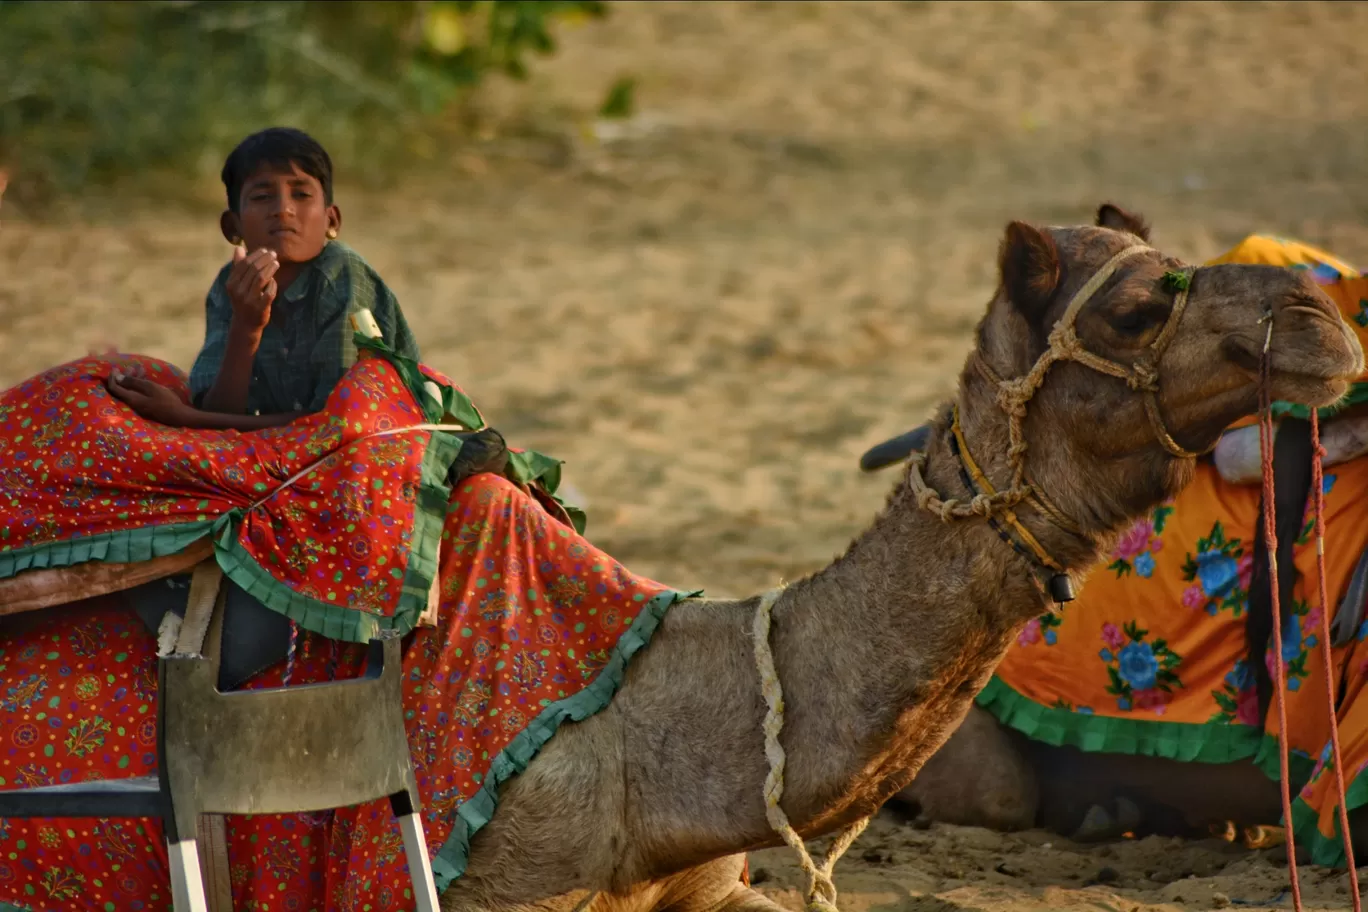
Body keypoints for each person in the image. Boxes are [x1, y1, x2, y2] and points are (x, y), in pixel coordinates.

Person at [107, 126, 421, 429]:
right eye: (261, 197)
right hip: (287, 445)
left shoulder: (340, 274)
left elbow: (337, 423)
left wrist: (187, 419)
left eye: (300, 194)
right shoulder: (231, 286)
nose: (283, 209)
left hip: (377, 445)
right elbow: (220, 411)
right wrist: (246, 327)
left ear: (331, 220)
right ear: (233, 227)